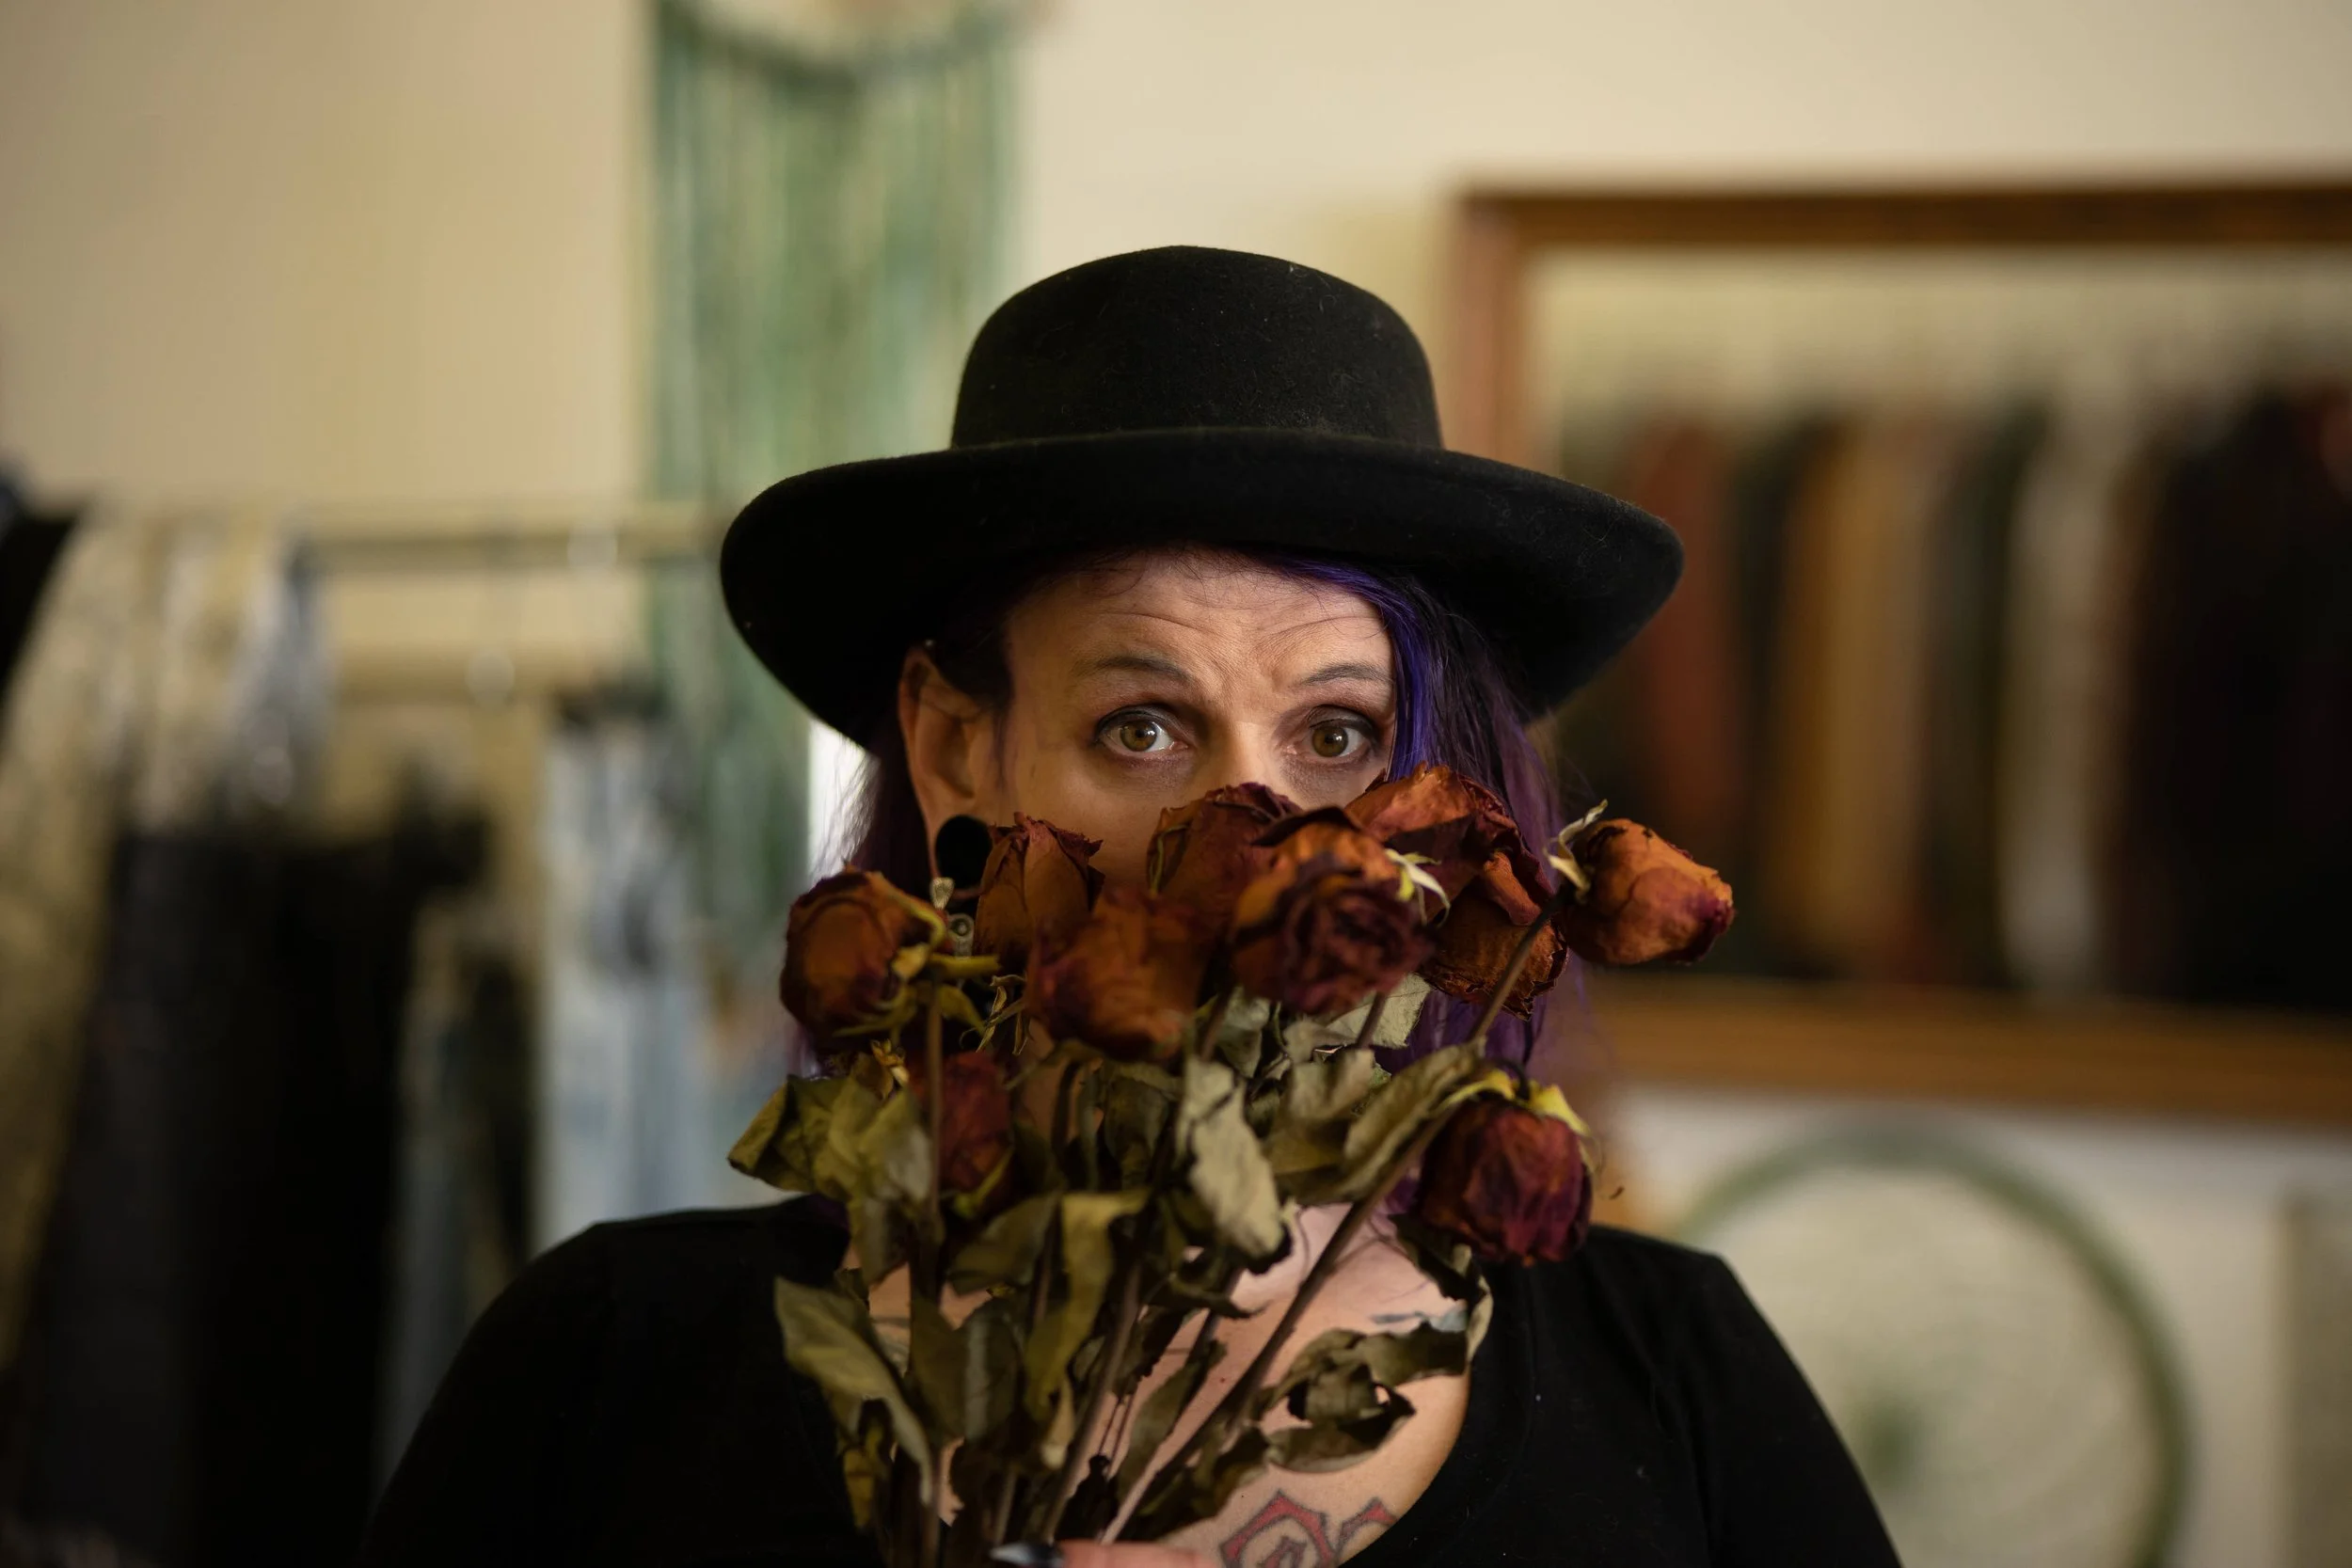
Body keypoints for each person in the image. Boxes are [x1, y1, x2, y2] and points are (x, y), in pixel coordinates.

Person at [358, 247, 1899, 1567]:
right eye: (1141, 727)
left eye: (1338, 733)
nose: (1252, 832)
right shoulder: (615, 1363)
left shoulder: (1677, 1381)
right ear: (960, 746)